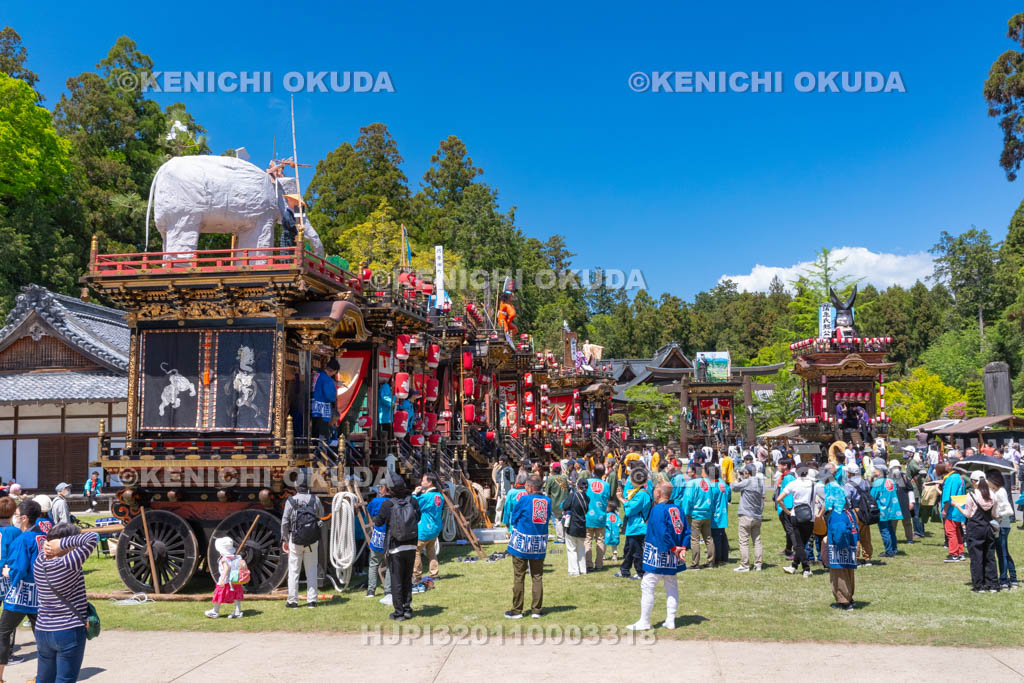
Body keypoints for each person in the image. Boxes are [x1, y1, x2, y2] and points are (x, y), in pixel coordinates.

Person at [33, 522, 98, 683]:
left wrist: (52, 544)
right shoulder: (69, 562)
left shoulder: (39, 562)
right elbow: (93, 538)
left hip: (43, 629)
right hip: (68, 629)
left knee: (43, 679)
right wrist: (61, 544)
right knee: (65, 679)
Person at [626, 482, 690, 631]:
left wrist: (675, 548)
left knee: (647, 585)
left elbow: (662, 532)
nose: (653, 492)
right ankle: (670, 620)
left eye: (655, 490)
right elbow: (686, 530)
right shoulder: (678, 508)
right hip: (674, 553)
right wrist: (683, 547)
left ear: (659, 493)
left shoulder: (658, 510)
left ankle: (645, 621)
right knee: (671, 586)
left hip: (660, 552)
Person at [0, 499, 45, 682]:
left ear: (24, 518)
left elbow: (19, 568)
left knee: (3, 633)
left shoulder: (23, 539)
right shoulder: (43, 536)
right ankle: (43, 675)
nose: (16, 519)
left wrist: (7, 572)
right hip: (40, 593)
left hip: (21, 594)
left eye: (18, 516)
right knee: (42, 637)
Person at [373, 473, 421, 621]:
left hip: (395, 546)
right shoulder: (412, 501)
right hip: (412, 545)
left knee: (396, 580)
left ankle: (399, 612)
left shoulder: (387, 504)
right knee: (407, 578)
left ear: (390, 489)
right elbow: (417, 517)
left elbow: (378, 522)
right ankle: (407, 609)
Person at [504, 476, 550, 619]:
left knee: (519, 576)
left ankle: (517, 610)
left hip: (522, 542)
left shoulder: (524, 499)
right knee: (537, 577)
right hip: (539, 543)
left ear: (529, 487)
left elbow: (514, 517)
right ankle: (536, 610)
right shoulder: (547, 501)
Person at [281, 473, 324, 609]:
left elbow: (285, 522)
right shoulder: (315, 499)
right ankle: (312, 601)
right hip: (311, 541)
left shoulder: (290, 501)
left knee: (294, 571)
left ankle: (293, 601)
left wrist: (285, 538)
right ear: (308, 486)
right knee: (311, 570)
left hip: (295, 539)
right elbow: (321, 515)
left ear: (295, 486)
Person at [953, 471, 999, 592]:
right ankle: (992, 584)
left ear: (973, 482)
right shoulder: (993, 494)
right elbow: (996, 514)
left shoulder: (972, 495)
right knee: (990, 556)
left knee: (976, 557)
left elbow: (968, 514)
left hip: (975, 528)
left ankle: (979, 586)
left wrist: (957, 506)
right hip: (988, 527)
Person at [778, 465, 823, 577]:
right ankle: (794, 566)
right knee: (802, 543)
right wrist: (820, 513)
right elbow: (825, 500)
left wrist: (787, 512)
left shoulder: (793, 484)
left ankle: (806, 568)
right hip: (810, 517)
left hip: (796, 515)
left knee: (799, 545)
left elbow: (779, 499)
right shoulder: (814, 485)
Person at [615, 469, 652, 579]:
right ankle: (625, 570)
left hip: (638, 527)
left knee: (636, 551)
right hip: (633, 526)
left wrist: (620, 498)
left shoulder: (641, 494)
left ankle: (641, 572)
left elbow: (630, 509)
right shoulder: (637, 491)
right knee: (629, 549)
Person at [412, 474, 445, 585]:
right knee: (431, 551)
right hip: (435, 528)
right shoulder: (439, 495)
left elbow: (413, 503)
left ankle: (417, 575)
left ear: (430, 482)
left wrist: (415, 493)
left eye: (423, 481)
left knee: (416, 551)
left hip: (425, 528)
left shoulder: (426, 497)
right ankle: (434, 573)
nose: (421, 483)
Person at [986, 470, 1017, 589]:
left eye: (988, 480)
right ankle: (1012, 578)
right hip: (1002, 525)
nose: (987, 482)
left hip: (1002, 526)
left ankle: (1004, 579)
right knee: (1004, 553)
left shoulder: (1001, 492)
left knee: (1002, 554)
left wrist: (997, 515)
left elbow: (1009, 511)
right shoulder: (996, 491)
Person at [732, 463, 764, 572]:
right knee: (757, 541)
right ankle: (758, 564)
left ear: (747, 473)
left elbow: (734, 487)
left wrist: (737, 478)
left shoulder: (747, 482)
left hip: (745, 514)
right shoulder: (760, 482)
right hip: (757, 515)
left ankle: (745, 565)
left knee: (744, 541)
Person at [684, 464, 715, 569]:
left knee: (695, 540)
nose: (687, 471)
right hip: (707, 514)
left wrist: (685, 513)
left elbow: (688, 500)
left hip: (695, 515)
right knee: (708, 538)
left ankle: (695, 563)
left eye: (689, 470)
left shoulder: (691, 483)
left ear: (693, 472)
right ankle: (711, 562)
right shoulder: (708, 482)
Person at [206, 536, 245, 619]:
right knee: (235, 596)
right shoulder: (235, 557)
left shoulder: (224, 559)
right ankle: (238, 612)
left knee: (219, 595)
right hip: (235, 580)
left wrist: (222, 580)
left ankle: (215, 611)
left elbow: (226, 569)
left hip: (226, 580)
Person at [870, 464, 902, 558]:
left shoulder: (877, 483)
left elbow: (872, 496)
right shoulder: (891, 481)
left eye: (875, 470)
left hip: (882, 509)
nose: (873, 471)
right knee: (891, 530)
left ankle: (889, 551)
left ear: (880, 471)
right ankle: (894, 549)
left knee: (885, 531)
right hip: (892, 509)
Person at [366, 484, 391, 601]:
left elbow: (369, 512)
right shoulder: (393, 501)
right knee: (390, 564)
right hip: (391, 534)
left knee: (374, 563)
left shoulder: (375, 501)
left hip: (378, 534)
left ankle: (371, 590)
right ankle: (388, 590)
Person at [583, 464, 611, 571]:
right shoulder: (606, 485)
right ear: (604, 472)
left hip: (588, 516)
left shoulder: (587, 482)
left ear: (593, 470)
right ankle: (599, 565)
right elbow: (607, 499)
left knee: (587, 540)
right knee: (600, 540)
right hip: (601, 516)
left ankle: (588, 565)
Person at [562, 478, 590, 576]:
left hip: (572, 525)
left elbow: (565, 505)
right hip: (582, 525)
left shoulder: (573, 495)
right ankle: (583, 569)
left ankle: (574, 570)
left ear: (577, 485)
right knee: (581, 548)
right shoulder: (587, 498)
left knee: (571, 549)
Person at [939, 462, 966, 562]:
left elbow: (948, 495)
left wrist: (945, 509)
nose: (945, 466)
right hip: (959, 508)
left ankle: (954, 554)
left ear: (951, 466)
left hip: (952, 509)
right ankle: (960, 552)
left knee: (950, 531)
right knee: (957, 531)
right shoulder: (960, 477)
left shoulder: (951, 478)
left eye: (947, 464)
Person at [311, 358, 339, 446]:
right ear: (334, 371)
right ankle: (321, 451)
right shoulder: (327, 379)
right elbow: (330, 395)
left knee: (314, 430)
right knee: (323, 432)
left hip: (313, 406)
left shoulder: (316, 375)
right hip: (322, 408)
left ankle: (314, 447)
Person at [708, 465, 731, 567]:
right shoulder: (723, 484)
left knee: (716, 537)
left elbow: (710, 502)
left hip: (715, 515)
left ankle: (718, 559)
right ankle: (725, 557)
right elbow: (729, 495)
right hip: (723, 512)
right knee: (723, 536)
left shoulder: (712, 487)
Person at [774, 459, 796, 561]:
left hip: (787, 507)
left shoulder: (789, 478)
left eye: (779, 464)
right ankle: (788, 549)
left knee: (790, 530)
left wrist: (787, 509)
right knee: (788, 530)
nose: (777, 466)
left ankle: (796, 551)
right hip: (782, 506)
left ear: (785, 465)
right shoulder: (784, 476)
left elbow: (790, 494)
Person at [889, 460, 915, 544]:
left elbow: (910, 489)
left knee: (907, 522)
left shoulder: (904, 477)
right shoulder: (888, 478)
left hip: (904, 503)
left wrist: (911, 501)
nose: (896, 469)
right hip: (893, 504)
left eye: (898, 467)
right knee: (892, 523)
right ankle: (892, 539)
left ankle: (909, 539)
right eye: (894, 467)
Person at [543, 463, 569, 542]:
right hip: (565, 502)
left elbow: (547, 492)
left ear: (553, 470)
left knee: (558, 520)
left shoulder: (551, 479)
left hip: (555, 503)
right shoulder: (564, 478)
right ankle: (566, 537)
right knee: (565, 520)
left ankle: (561, 539)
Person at [494, 457, 515, 525]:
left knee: (508, 507)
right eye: (499, 460)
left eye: (501, 460)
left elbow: (512, 481)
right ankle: (497, 522)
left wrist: (511, 491)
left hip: (508, 491)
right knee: (498, 507)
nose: (499, 461)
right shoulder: (498, 471)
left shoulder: (510, 469)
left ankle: (509, 521)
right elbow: (497, 483)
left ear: (505, 461)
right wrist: (496, 493)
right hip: (500, 492)